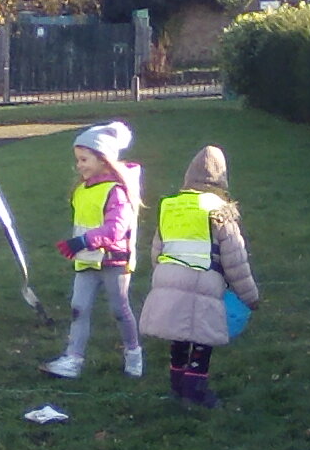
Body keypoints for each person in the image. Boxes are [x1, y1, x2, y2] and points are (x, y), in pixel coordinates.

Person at [138, 145, 260, 409]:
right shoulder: (220, 210)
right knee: (202, 337)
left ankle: (176, 385)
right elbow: (235, 260)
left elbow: (157, 250)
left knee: (179, 333)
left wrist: (163, 278)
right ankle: (195, 390)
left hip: (168, 278)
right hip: (204, 282)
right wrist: (250, 296)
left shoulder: (170, 207)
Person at [43, 122, 145, 380]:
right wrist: (81, 246)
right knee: (78, 307)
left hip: (114, 261)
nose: (79, 165)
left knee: (119, 310)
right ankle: (73, 359)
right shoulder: (81, 190)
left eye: (84, 159)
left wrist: (82, 241)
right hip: (86, 261)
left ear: (103, 159)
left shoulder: (117, 191)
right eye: (78, 160)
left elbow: (116, 229)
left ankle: (133, 354)